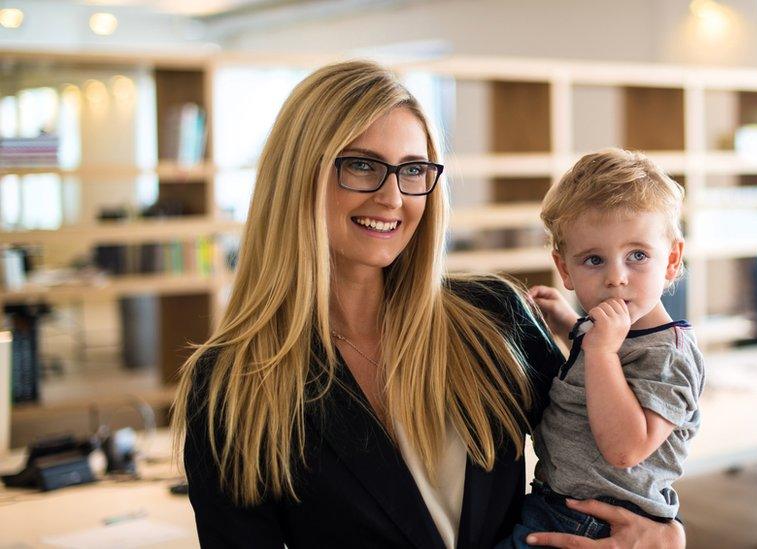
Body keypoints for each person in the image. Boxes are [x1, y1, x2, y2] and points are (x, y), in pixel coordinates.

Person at [171, 60, 685, 548]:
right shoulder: (231, 383)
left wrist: (668, 533)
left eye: (413, 170)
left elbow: (603, 450)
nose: (393, 196)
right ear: (298, 175)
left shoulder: (493, 316)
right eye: (361, 165)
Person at [501, 149, 705, 546]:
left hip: (599, 521)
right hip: (558, 502)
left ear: (672, 259)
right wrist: (567, 325)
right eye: (594, 259)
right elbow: (597, 370)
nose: (616, 278)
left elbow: (626, 449)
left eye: (638, 256)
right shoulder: (608, 331)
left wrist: (600, 352)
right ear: (565, 270)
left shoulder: (668, 354)